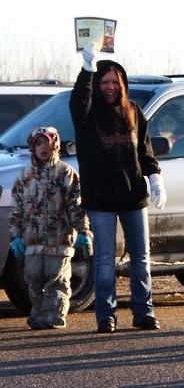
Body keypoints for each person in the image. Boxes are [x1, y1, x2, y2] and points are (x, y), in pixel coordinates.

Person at [69, 43, 167, 334]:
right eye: (104, 82)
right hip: (100, 198)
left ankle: (143, 313)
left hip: (133, 196)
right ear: (97, 85)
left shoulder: (133, 111)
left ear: (123, 85)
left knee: (140, 257)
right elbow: (78, 100)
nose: (110, 87)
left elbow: (146, 152)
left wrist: (155, 178)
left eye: (115, 82)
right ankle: (106, 316)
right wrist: (87, 69)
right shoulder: (87, 114)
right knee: (103, 259)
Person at [9, 126, 92, 330]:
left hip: (60, 240)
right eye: (38, 143)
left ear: (54, 144)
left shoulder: (65, 173)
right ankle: (38, 314)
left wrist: (83, 232)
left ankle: (53, 316)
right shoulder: (24, 176)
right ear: (32, 147)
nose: (43, 147)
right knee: (33, 280)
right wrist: (15, 237)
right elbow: (17, 209)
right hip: (33, 241)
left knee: (57, 280)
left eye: (46, 142)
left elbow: (77, 205)